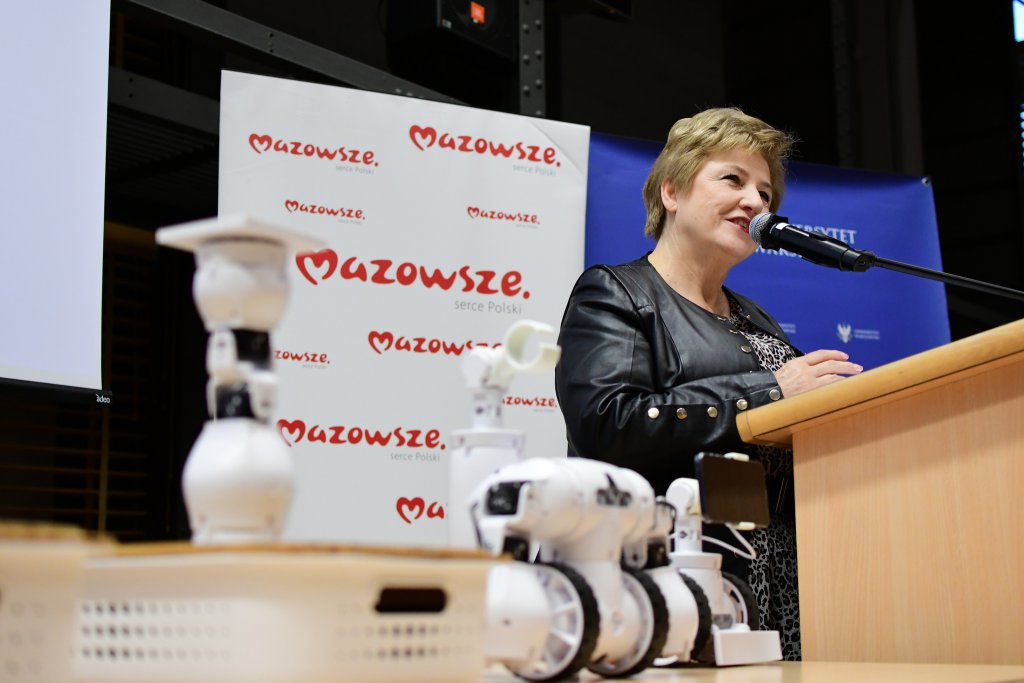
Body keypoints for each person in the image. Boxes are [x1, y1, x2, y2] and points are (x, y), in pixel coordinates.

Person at [553, 107, 862, 660]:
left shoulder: (755, 317)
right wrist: (771, 392)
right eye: (733, 179)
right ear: (671, 192)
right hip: (664, 587)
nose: (755, 202)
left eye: (765, 192)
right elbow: (608, 422)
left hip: (780, 582)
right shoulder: (617, 294)